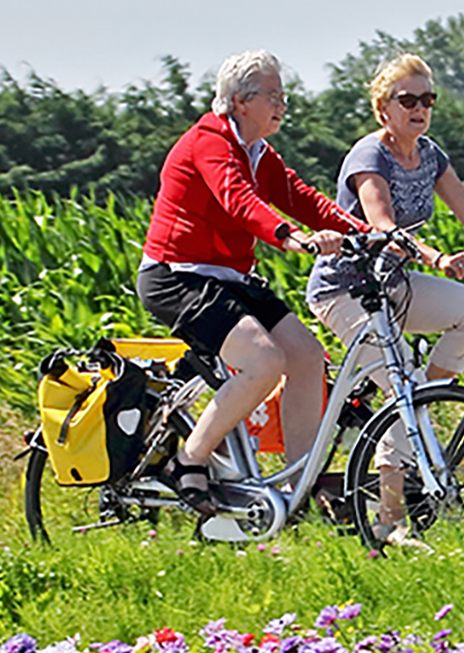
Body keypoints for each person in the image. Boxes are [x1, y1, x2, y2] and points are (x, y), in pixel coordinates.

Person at [305, 53, 464, 546]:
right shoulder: (369, 156)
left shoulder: (429, 155)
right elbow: (382, 224)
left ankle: (419, 394)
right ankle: (388, 522)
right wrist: (435, 256)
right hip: (347, 290)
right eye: (407, 99)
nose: (420, 109)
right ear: (382, 107)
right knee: (405, 391)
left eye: (427, 100)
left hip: (394, 285)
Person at [136, 50, 363, 515]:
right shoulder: (210, 141)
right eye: (273, 96)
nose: (283, 104)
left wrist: (366, 235)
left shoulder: (257, 151)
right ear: (240, 101)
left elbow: (303, 198)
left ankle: (300, 486)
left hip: (229, 277)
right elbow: (237, 199)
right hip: (176, 276)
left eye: (284, 95)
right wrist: (290, 238)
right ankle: (189, 460)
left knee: (306, 356)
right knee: (263, 361)